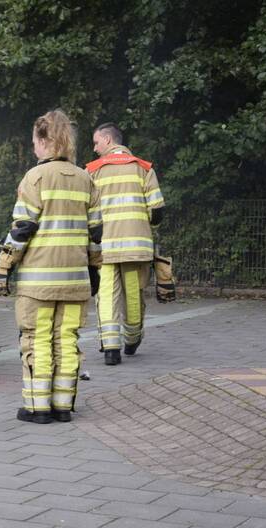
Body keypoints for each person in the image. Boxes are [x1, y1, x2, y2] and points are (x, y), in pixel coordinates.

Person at [0, 109, 103, 424]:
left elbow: (22, 228)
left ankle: (37, 408)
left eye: (34, 142)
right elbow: (96, 234)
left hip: (39, 283)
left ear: (44, 139)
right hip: (76, 281)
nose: (33, 148)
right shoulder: (86, 179)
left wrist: (4, 267)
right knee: (67, 340)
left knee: (37, 338)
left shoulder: (35, 177)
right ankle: (63, 406)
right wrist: (94, 270)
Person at [86, 122, 166, 365]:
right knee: (133, 293)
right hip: (136, 246)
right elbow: (157, 211)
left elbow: (88, 211)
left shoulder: (92, 170)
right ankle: (131, 340)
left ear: (109, 140)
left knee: (107, 295)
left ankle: (111, 349)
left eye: (97, 142)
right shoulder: (143, 168)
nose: (95, 148)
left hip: (106, 247)